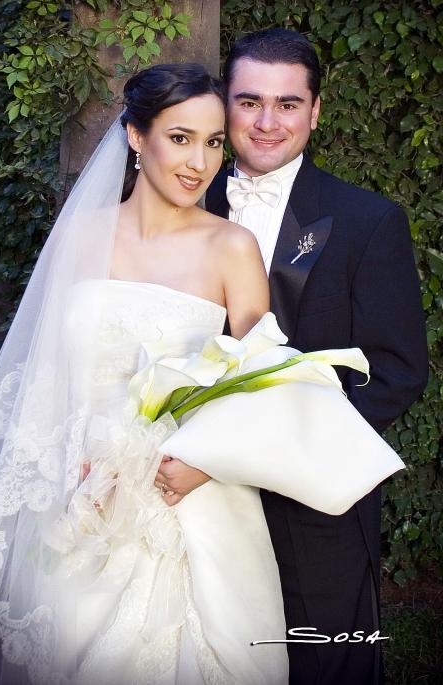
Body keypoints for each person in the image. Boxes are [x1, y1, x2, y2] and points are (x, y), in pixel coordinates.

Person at [0, 63, 288, 684]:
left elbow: (260, 382)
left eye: (214, 142)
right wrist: (68, 462)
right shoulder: (81, 237)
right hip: (81, 494)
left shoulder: (232, 248)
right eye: (180, 137)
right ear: (137, 137)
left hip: (188, 495)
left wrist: (203, 462)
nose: (199, 162)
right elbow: (44, 372)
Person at [158, 29, 428, 684]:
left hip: (313, 506)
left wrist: (265, 453)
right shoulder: (172, 206)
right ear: (225, 103)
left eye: (287, 103)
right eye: (249, 102)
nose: (267, 121)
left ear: (316, 110)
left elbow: (393, 373)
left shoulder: (369, 221)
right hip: (186, 501)